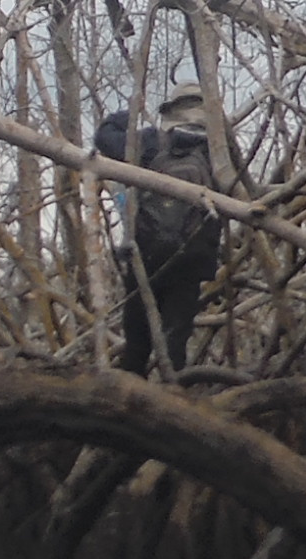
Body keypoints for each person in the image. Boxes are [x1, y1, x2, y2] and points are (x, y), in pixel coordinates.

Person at [94, 84, 226, 370]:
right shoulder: (220, 151)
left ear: (172, 110)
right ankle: (173, 391)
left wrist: (128, 113)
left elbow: (104, 137)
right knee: (175, 342)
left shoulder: (152, 142)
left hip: (147, 253)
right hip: (193, 259)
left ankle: (130, 398)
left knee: (137, 342)